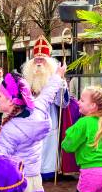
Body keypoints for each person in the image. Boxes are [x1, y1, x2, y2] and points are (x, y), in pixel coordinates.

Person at [22, 35, 71, 180]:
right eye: (36, 59)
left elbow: (63, 103)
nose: (38, 62)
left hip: (49, 117)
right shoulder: (26, 79)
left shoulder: (56, 79)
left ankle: (47, 172)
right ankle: (31, 171)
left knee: (48, 144)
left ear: (48, 62)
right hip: (29, 118)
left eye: (42, 59)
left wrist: (62, 87)